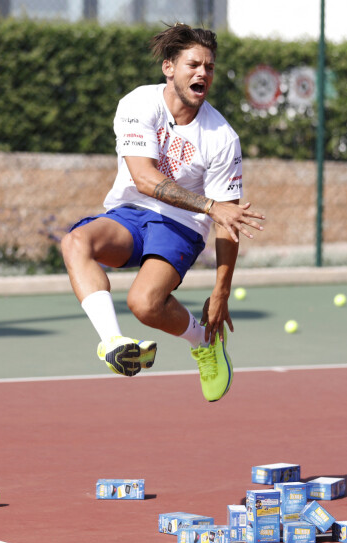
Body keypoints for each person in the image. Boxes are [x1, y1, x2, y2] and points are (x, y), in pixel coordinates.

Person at [61, 23, 265, 402]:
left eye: (210, 66)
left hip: (180, 224)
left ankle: (205, 342)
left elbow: (227, 223)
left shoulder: (222, 138)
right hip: (131, 210)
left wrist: (222, 292)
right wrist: (209, 204)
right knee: (75, 242)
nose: (203, 72)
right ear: (169, 68)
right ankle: (113, 343)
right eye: (193, 64)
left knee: (144, 304)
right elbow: (143, 178)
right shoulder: (138, 103)